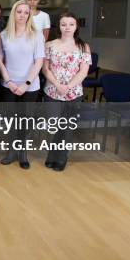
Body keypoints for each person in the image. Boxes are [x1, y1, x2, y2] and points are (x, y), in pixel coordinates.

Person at [0, 0, 45, 170]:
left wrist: (26, 83)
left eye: (26, 12)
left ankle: (23, 153)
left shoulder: (37, 34)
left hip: (30, 86)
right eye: (19, 11)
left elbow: (39, 61)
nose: (22, 15)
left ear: (29, 14)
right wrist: (9, 81)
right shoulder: (4, 34)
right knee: (10, 120)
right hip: (9, 85)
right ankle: (11, 152)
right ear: (13, 13)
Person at [42, 12, 91, 171]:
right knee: (53, 126)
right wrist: (57, 85)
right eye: (64, 24)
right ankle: (51, 156)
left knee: (67, 128)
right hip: (52, 91)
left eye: (71, 24)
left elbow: (83, 72)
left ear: (76, 26)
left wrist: (68, 87)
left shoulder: (83, 47)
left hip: (73, 92)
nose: (67, 27)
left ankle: (62, 158)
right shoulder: (49, 45)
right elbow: (45, 69)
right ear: (59, 26)